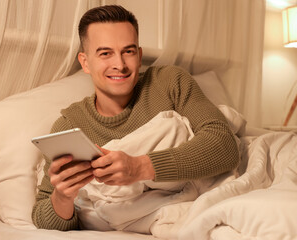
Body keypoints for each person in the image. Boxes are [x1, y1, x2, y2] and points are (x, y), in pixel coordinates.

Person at [32, 5, 239, 231]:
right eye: (105, 53)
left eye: (128, 51)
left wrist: (140, 166)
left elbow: (224, 144)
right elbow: (43, 218)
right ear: (85, 62)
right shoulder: (71, 125)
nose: (119, 65)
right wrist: (63, 196)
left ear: (139, 56)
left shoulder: (169, 82)